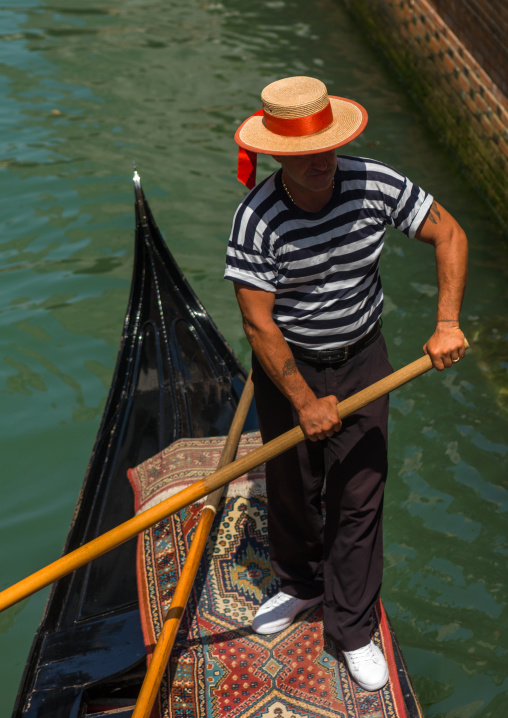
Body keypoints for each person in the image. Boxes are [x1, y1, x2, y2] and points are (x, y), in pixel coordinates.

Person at [224, 76, 468, 692]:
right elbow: (258, 323)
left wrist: (445, 323)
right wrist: (304, 401)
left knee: (359, 495)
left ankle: (354, 629)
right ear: (279, 154)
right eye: (306, 157)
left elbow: (450, 234)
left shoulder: (374, 183)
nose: (322, 166)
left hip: (364, 357)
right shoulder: (256, 220)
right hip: (289, 366)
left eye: (328, 150)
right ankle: (301, 585)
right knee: (292, 485)